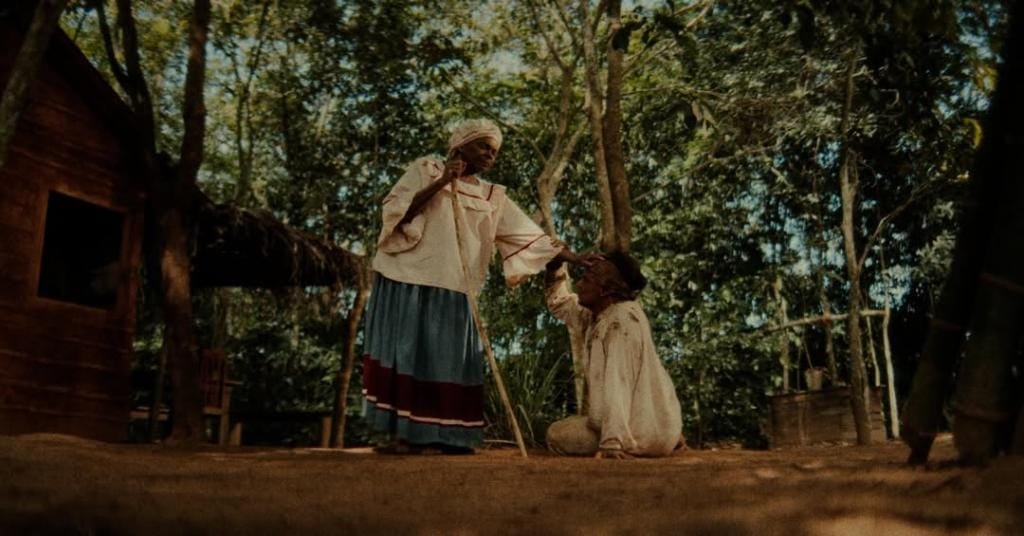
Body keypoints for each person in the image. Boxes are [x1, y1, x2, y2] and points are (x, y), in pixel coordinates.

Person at [362, 118, 584, 454]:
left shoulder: (492, 196)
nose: (490, 155)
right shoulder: (426, 169)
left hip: (454, 285)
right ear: (460, 145)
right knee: (408, 355)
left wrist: (574, 257)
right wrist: (442, 182)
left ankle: (449, 436)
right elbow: (396, 213)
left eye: (494, 151)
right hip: (408, 278)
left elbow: (527, 236)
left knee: (446, 360)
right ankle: (403, 437)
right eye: (483, 146)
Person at [544, 251, 684, 458]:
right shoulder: (601, 314)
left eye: (586, 280)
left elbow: (617, 383)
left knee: (556, 434)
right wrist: (555, 265)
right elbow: (560, 303)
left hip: (634, 435)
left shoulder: (619, 322)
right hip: (656, 430)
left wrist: (611, 443)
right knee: (573, 424)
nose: (579, 285)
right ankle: (664, 436)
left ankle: (630, 441)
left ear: (605, 289)